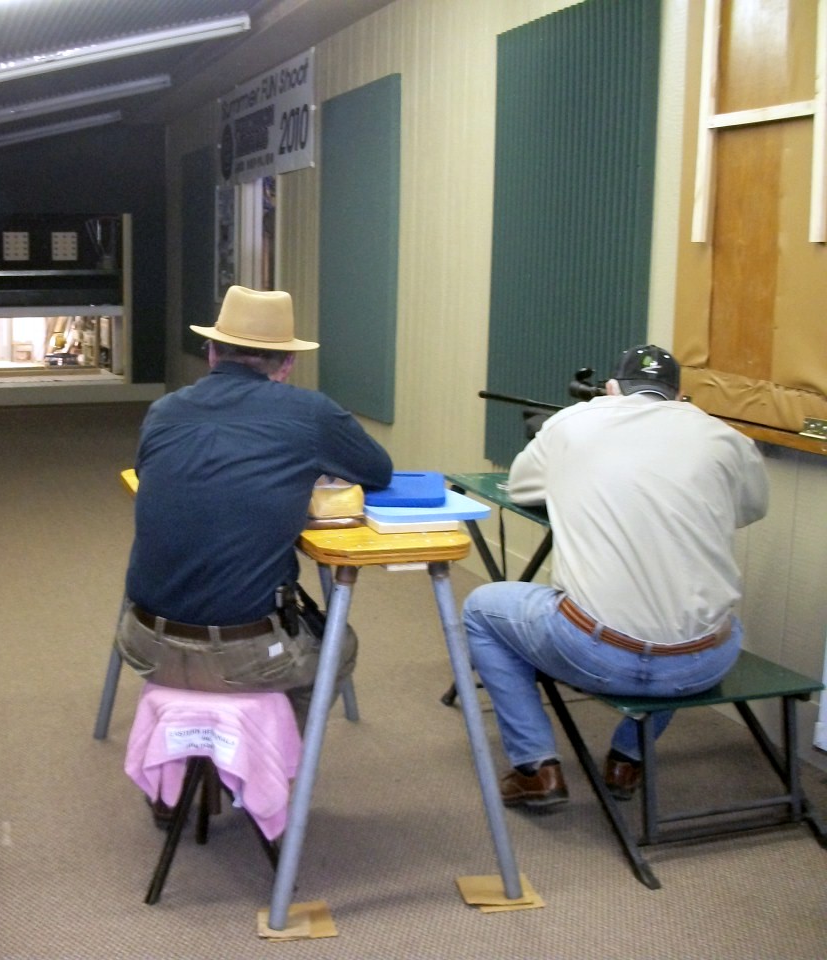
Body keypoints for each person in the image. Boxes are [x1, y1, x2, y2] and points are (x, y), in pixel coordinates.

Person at [462, 344, 769, 809]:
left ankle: (535, 768)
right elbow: (750, 508)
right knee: (713, 617)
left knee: (481, 609)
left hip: (597, 654)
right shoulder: (724, 437)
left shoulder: (574, 422)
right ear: (679, 394)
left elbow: (522, 485)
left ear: (610, 389)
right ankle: (627, 758)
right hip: (700, 663)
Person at [115, 285, 394, 740]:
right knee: (339, 645)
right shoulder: (310, 414)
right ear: (287, 365)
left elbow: (154, 475)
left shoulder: (163, 411)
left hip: (143, 643)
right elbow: (378, 471)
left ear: (211, 352)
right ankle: (266, 764)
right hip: (245, 654)